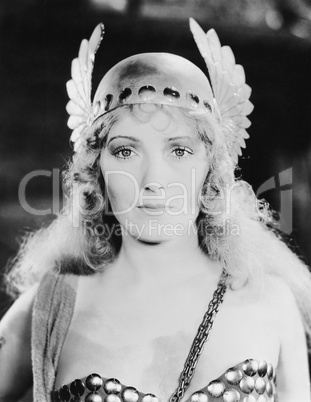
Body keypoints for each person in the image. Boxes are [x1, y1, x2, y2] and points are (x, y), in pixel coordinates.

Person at [1, 19, 311, 402]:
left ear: (211, 170)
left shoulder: (271, 302)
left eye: (179, 151)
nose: (153, 179)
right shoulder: (50, 308)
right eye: (125, 151)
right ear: (96, 170)